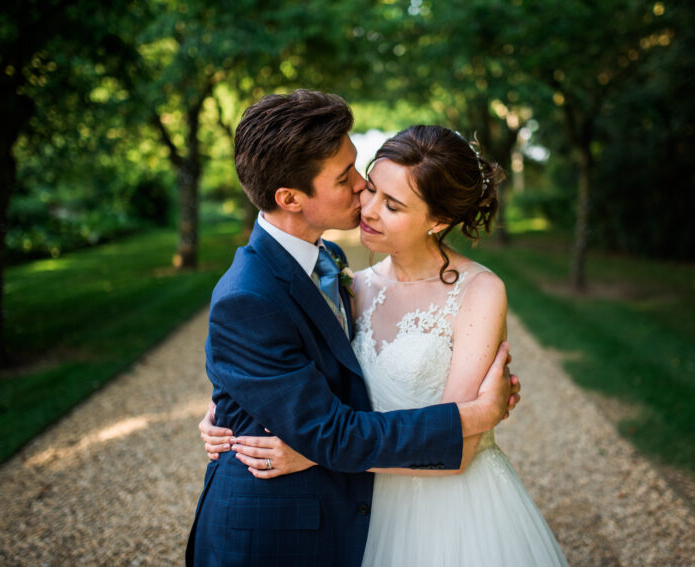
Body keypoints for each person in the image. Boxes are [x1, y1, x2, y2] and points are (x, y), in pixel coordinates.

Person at [204, 125, 569, 566]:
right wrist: (231, 409)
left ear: (438, 221)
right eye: (370, 188)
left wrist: (316, 455)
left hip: (450, 513)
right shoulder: (353, 284)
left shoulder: (479, 291)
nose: (368, 208)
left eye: (392, 204)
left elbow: (460, 450)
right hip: (363, 505)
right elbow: (302, 376)